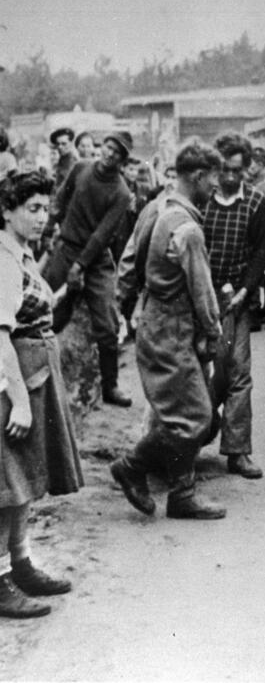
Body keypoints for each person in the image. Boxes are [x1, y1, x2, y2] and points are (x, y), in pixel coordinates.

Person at [110, 142, 226, 521]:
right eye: (213, 179)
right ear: (197, 176)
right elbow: (203, 291)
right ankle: (131, 466)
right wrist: (214, 331)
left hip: (161, 323)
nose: (216, 188)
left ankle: (182, 494)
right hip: (171, 329)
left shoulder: (163, 212)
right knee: (195, 416)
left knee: (178, 412)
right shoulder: (188, 228)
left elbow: (131, 262)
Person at [0, 169, 84, 618]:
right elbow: (0, 337)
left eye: (44, 208)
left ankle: (21, 562)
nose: (41, 217)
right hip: (12, 384)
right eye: (31, 208)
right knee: (6, 486)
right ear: (6, 210)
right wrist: (16, 401)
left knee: (25, 482)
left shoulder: (23, 254)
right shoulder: (2, 260)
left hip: (33, 378)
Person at [42, 131, 134, 407]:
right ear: (100, 147)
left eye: (116, 152)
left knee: (107, 324)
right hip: (66, 247)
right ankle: (38, 377)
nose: (109, 154)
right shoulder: (81, 168)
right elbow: (60, 198)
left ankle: (110, 386)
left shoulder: (121, 192)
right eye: (107, 147)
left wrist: (80, 266)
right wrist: (48, 230)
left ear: (122, 160)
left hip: (96, 260)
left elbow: (102, 235)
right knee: (45, 310)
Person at [202, 133, 265, 479]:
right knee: (209, 370)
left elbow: (260, 252)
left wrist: (246, 289)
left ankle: (238, 451)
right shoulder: (204, 201)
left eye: (237, 172)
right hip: (204, 297)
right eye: (225, 170)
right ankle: (194, 432)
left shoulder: (256, 202)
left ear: (246, 171)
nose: (230, 178)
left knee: (239, 371)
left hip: (238, 298)